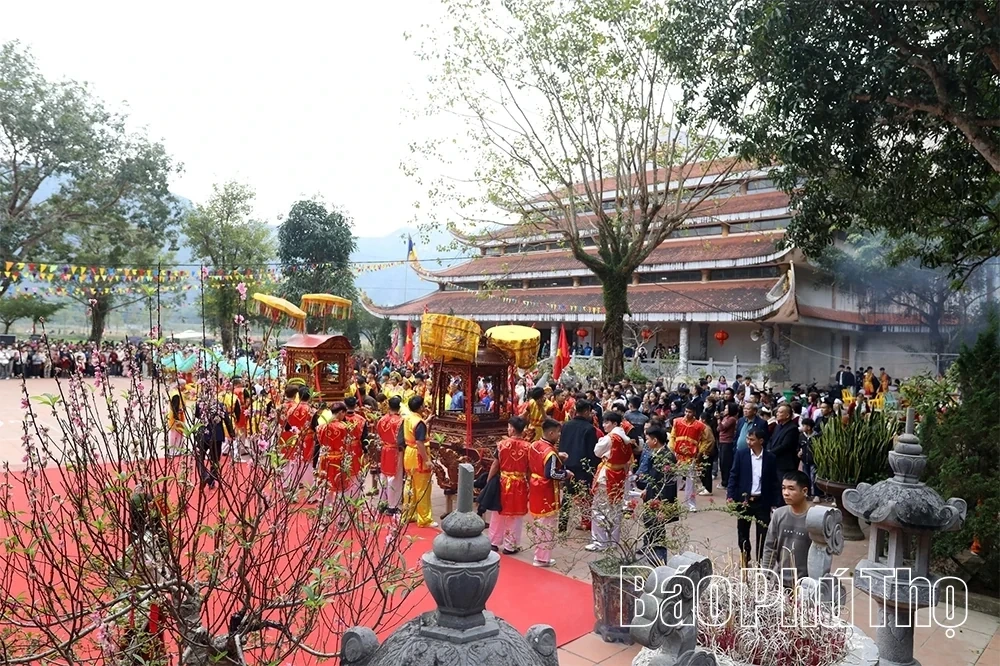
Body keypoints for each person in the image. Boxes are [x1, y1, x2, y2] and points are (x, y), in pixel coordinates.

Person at [727, 427, 782, 567]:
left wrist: (775, 503)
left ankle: (760, 561)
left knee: (763, 533)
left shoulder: (770, 458)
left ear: (761, 441)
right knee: (742, 532)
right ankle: (745, 557)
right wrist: (730, 496)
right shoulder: (741, 454)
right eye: (748, 439)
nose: (748, 442)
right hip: (744, 501)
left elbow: (774, 481)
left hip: (762, 502)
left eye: (752, 439)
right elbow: (733, 475)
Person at [586, 412, 633, 552]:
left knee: (599, 508)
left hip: (607, 475)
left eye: (607, 422)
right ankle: (613, 541)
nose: (604, 425)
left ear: (614, 424)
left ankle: (600, 542)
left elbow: (597, 452)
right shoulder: (626, 439)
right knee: (615, 508)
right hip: (619, 475)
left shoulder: (610, 438)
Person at [528, 418, 571, 567]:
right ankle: (542, 558)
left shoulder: (534, 445)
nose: (559, 436)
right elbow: (551, 473)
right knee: (547, 524)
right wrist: (566, 474)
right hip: (546, 490)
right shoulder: (550, 452)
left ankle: (538, 554)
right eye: (558, 433)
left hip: (535, 486)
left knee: (538, 522)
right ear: (551, 432)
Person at [487, 416, 532, 554]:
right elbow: (530, 469)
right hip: (520, 484)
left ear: (512, 429)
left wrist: (489, 481)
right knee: (515, 516)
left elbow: (495, 464)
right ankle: (510, 546)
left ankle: (494, 542)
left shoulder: (501, 445)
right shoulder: (528, 447)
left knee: (498, 512)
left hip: (503, 482)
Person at [761, 471, 813, 588]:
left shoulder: (814, 518)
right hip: (779, 582)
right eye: (783, 488)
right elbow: (769, 547)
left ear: (804, 491)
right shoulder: (778, 515)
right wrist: (765, 576)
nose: (785, 493)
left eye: (791, 489)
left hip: (805, 584)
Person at [635, 427, 679, 560]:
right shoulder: (657, 453)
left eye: (647, 439)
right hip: (653, 495)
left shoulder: (666, 457)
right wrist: (647, 490)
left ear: (655, 440)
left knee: (658, 530)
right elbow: (654, 477)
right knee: (651, 525)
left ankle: (659, 559)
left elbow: (668, 485)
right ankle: (650, 550)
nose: (646, 442)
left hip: (660, 499)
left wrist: (664, 507)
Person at [557, 399, 600, 533]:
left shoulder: (566, 425)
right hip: (583, 467)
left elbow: (562, 445)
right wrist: (593, 469)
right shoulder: (589, 429)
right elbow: (592, 451)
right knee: (586, 495)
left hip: (568, 465)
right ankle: (586, 522)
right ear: (586, 411)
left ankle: (562, 524)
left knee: (567, 496)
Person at [400, 395, 437, 528]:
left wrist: (426, 420)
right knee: (422, 488)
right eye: (423, 405)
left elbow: (414, 431)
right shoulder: (419, 422)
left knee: (410, 485)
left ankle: (408, 515)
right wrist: (427, 461)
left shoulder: (409, 418)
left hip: (409, 453)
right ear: (420, 407)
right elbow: (420, 442)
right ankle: (424, 518)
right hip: (419, 455)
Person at [668, 406, 713, 512]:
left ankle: (691, 504)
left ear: (694, 413)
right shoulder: (677, 422)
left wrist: (700, 451)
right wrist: (672, 448)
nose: (687, 413)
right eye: (686, 411)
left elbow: (707, 440)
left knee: (690, 482)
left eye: (690, 412)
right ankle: (671, 502)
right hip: (678, 456)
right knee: (674, 481)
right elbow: (672, 437)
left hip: (691, 457)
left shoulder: (700, 426)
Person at [375, 396, 404, 514]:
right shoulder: (401, 421)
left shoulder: (382, 419)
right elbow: (401, 440)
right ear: (399, 406)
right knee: (395, 478)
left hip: (385, 449)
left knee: (384, 476)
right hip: (395, 451)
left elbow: (379, 434)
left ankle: (382, 503)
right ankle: (392, 506)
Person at [768, 404, 801, 475]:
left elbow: (785, 445)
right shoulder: (778, 426)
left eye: (780, 412)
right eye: (777, 412)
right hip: (774, 461)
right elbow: (771, 439)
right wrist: (768, 450)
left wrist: (770, 453)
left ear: (787, 415)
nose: (777, 414)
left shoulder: (792, 428)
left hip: (785, 464)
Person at [166, 380, 187, 455]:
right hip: (176, 417)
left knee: (178, 434)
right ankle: (174, 451)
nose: (185, 387)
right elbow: (175, 407)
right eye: (184, 385)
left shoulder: (176, 392)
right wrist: (177, 418)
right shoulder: (176, 395)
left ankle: (178, 450)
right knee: (175, 434)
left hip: (178, 416)